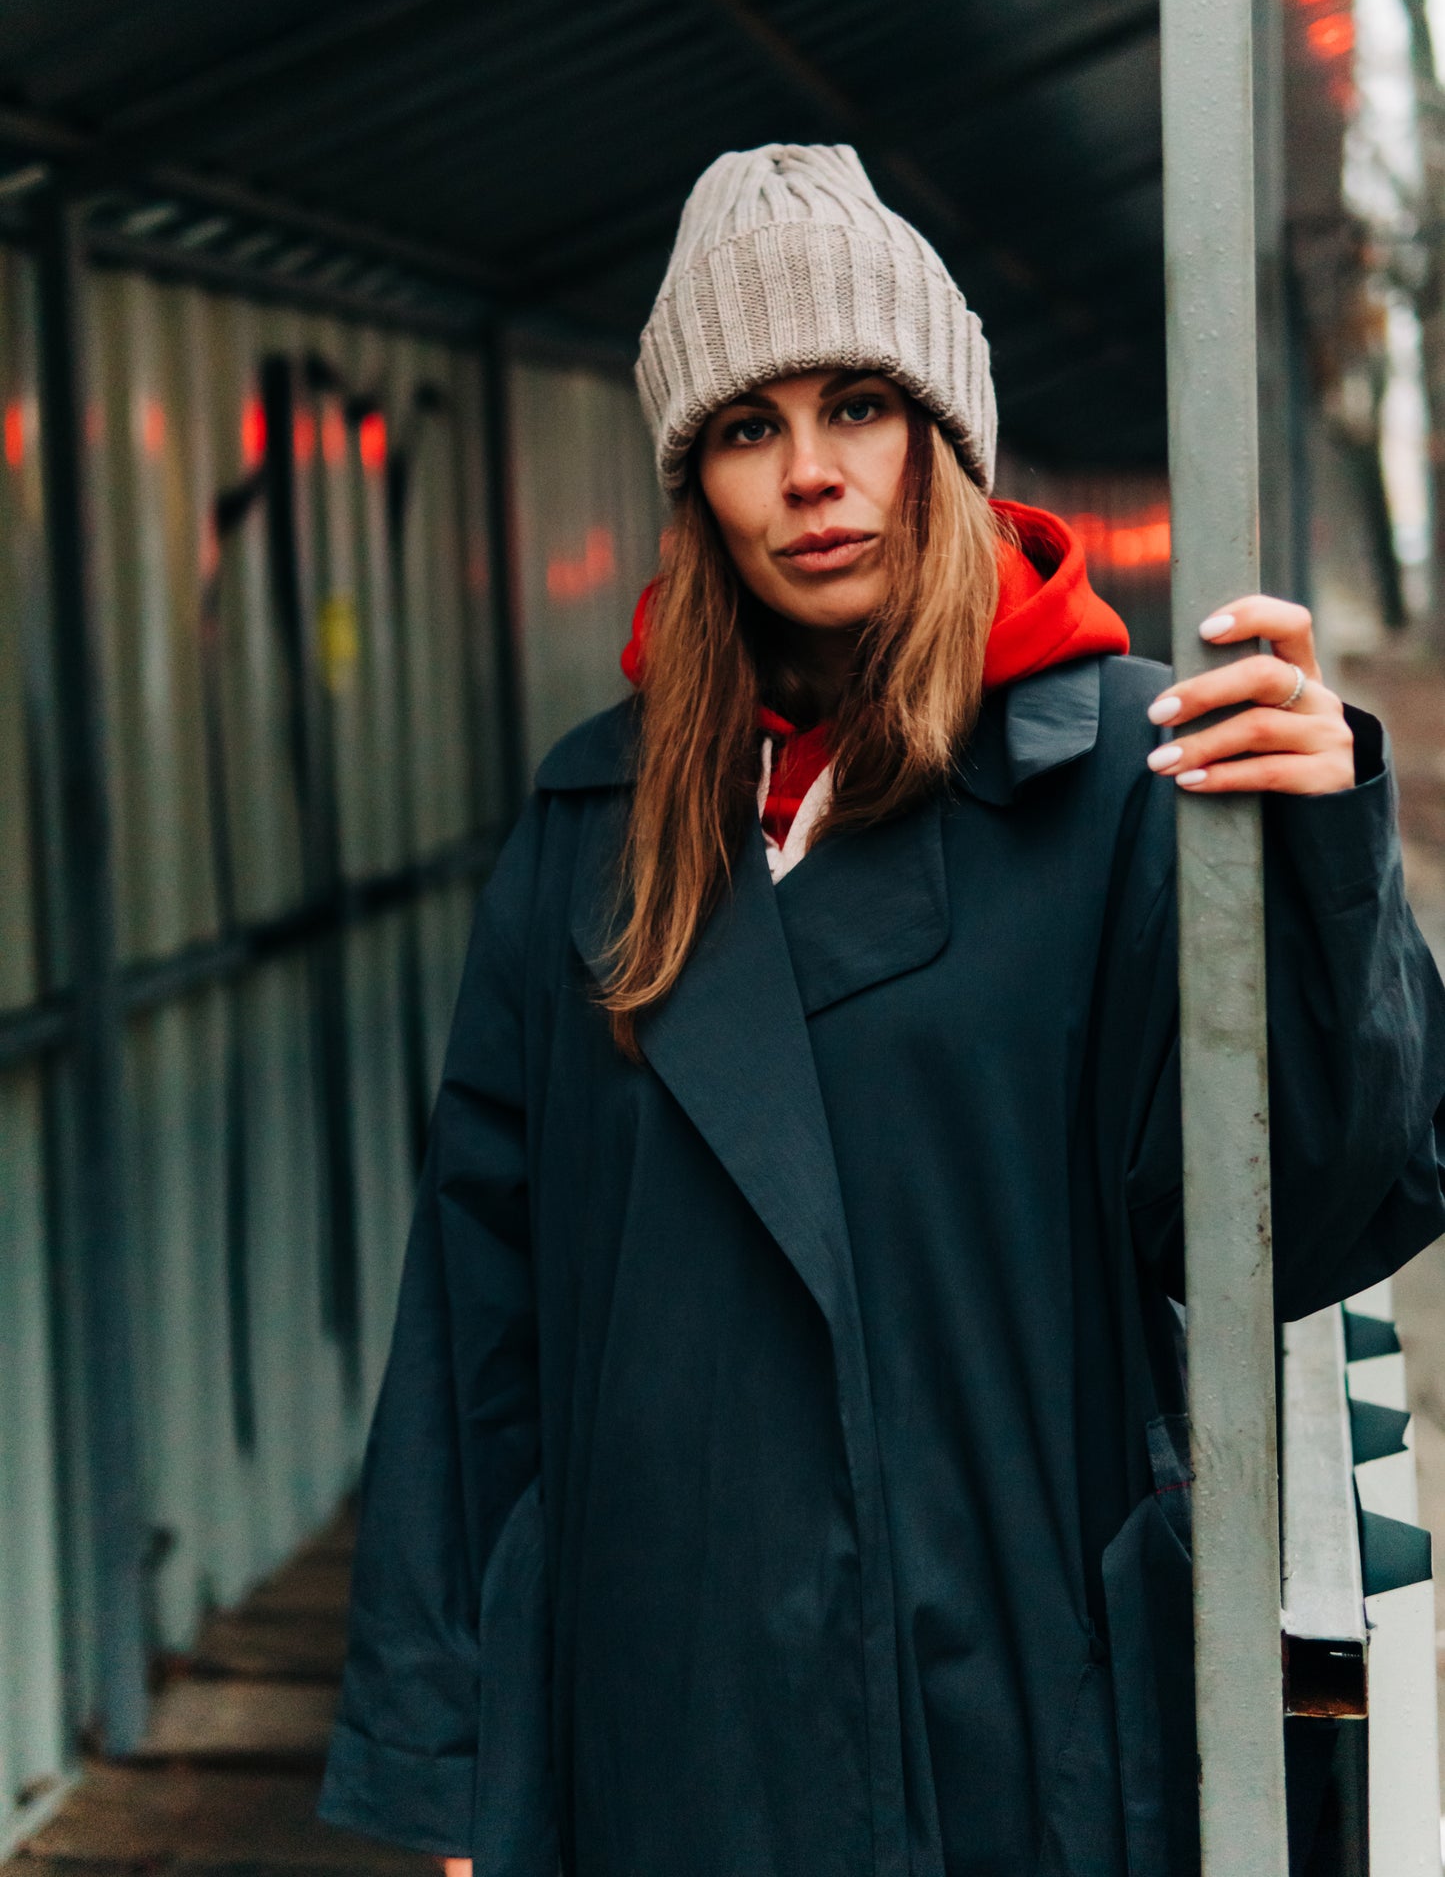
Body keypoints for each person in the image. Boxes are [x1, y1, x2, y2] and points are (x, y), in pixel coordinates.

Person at [318, 144, 1445, 1877]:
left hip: (1007, 1693)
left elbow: (1307, 1207)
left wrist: (1318, 856)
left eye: (858, 403)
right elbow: (484, 1309)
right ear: (694, 480)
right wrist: (450, 1744)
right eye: (749, 428)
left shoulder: (1129, 773)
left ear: (945, 433)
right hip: (661, 1713)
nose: (813, 474)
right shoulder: (591, 828)